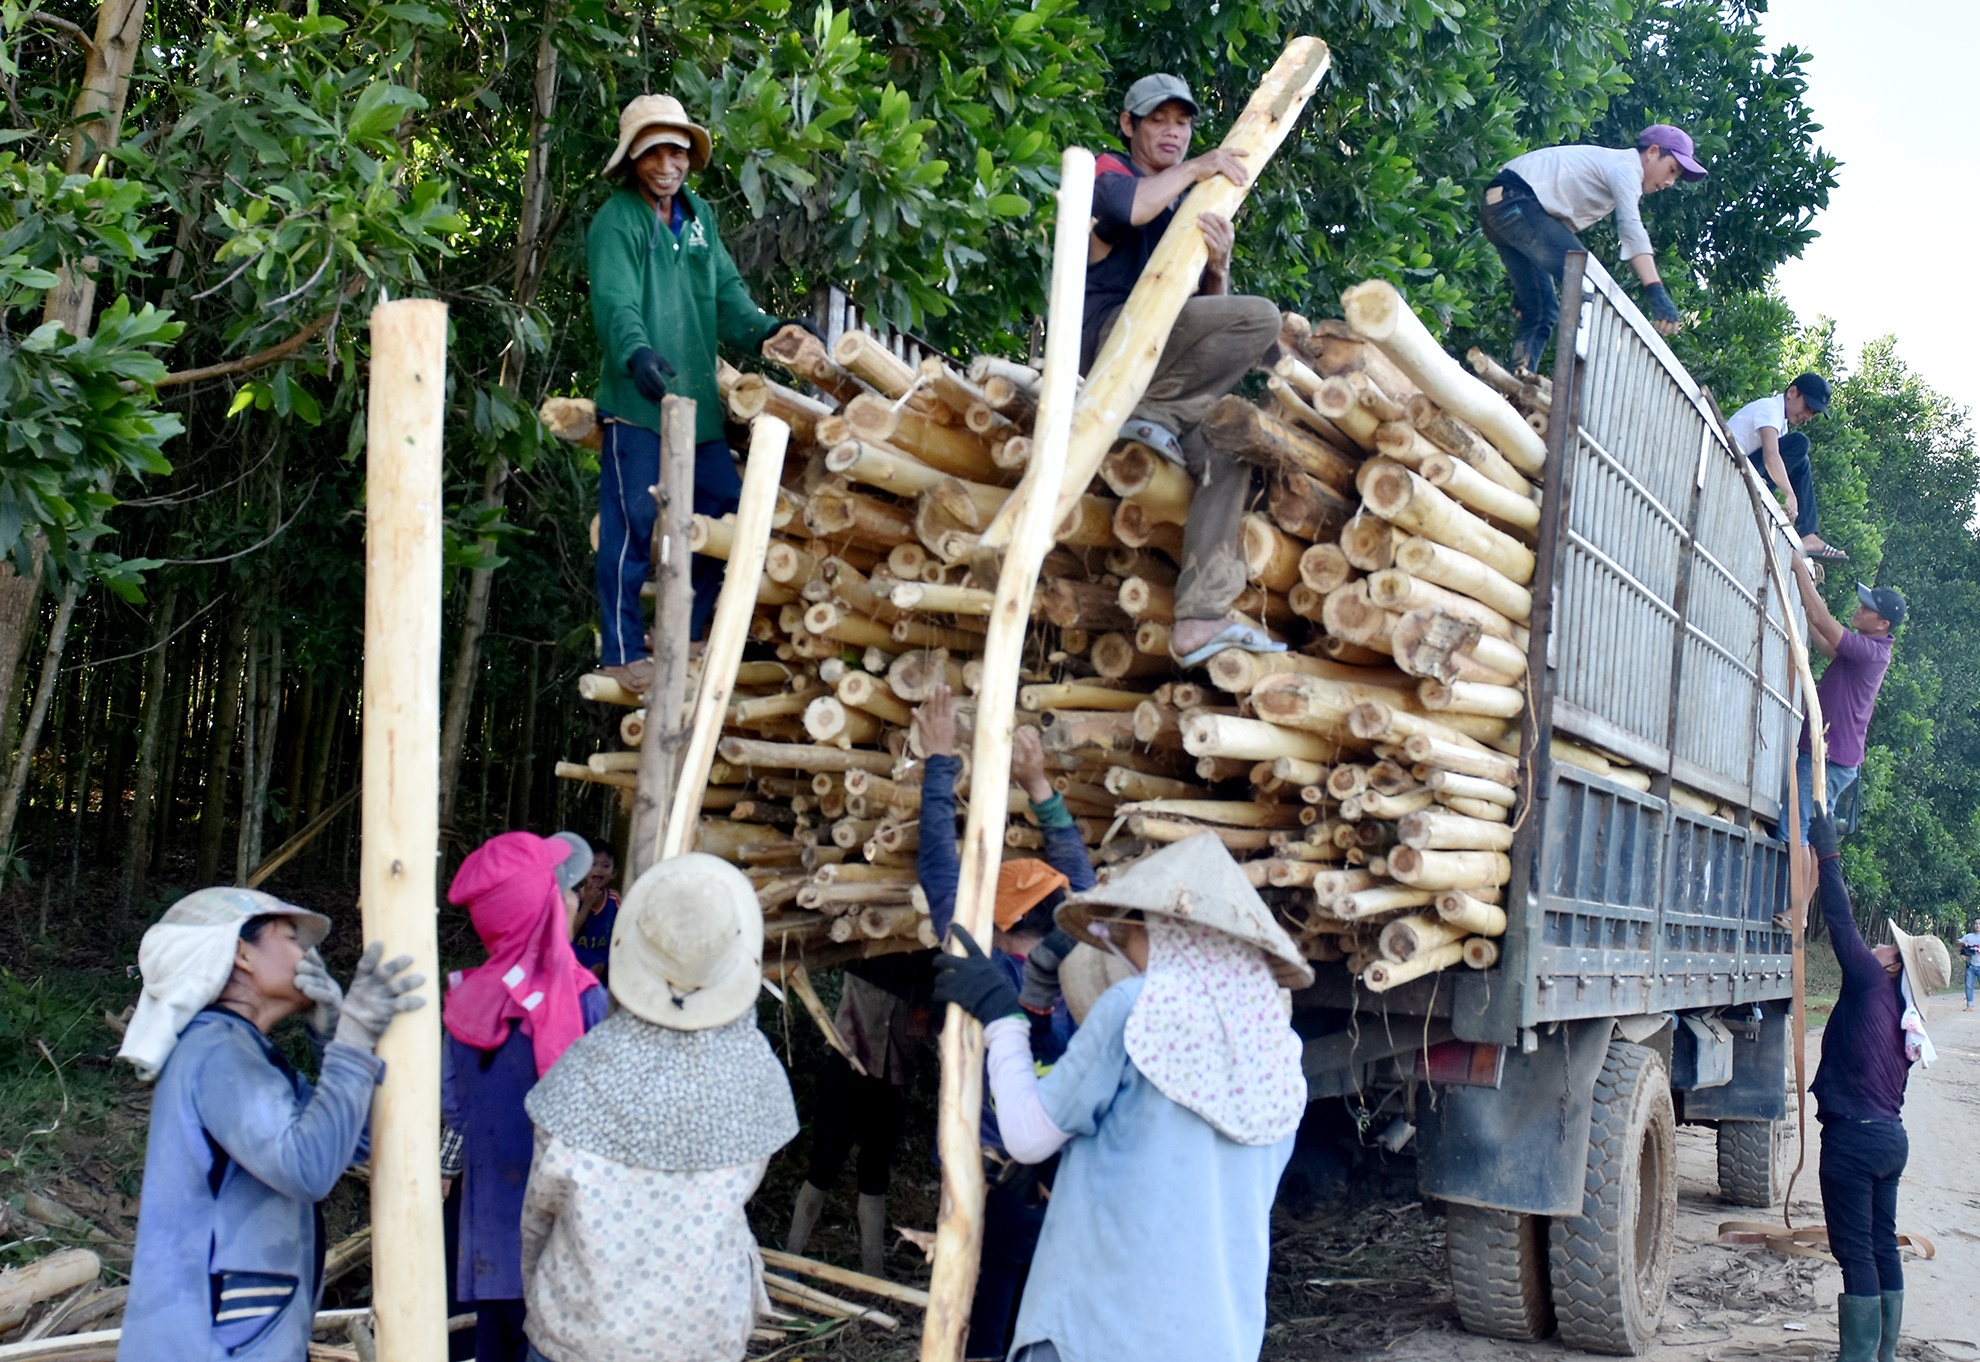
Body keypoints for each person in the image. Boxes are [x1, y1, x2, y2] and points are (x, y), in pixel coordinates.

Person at [931, 832, 1313, 1362]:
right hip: (1217, 1342)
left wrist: (1003, 1021)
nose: (1119, 945)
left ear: (1161, 930)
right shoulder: (1279, 1050)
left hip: (1097, 1332)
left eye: (1126, 933)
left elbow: (1026, 1136)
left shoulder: (1138, 1009)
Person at [117, 888, 423, 1362]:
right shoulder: (219, 1053)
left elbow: (354, 1143)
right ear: (241, 954)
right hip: (213, 1342)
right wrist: (356, 1034)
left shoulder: (241, 1051)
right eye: (291, 939)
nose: (309, 956)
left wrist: (333, 1039)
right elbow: (308, 1169)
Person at [518, 852, 799, 1362]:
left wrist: (537, 1297)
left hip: (579, 1331)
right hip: (701, 1335)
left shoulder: (584, 1068)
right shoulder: (754, 1071)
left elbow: (539, 1209)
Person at [587, 93, 819, 691]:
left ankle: (689, 631)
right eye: (655, 152)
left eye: (678, 150)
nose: (668, 163)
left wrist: (771, 330)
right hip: (638, 402)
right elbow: (615, 303)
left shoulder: (698, 218)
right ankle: (618, 650)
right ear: (634, 159)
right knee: (632, 520)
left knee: (731, 512)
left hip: (698, 405)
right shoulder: (616, 221)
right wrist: (635, 352)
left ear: (690, 156)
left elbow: (726, 295)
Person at [907, 684, 1097, 1357]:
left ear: (1000, 921)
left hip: (994, 1177)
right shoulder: (1088, 965)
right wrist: (1039, 783)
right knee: (1051, 1314)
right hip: (1071, 1175)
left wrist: (938, 764)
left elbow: (938, 870)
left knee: (988, 1314)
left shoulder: (986, 970)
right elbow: (1081, 880)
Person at [1083, 73, 1290, 668]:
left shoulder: (1185, 203)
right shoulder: (1108, 172)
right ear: (1130, 125)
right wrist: (1201, 167)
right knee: (1261, 319)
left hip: (1163, 370)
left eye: (1183, 121)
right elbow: (1131, 207)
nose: (1173, 131)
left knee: (1232, 445)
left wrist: (1219, 264)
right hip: (1111, 347)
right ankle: (1153, 416)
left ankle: (1199, 618)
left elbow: (1205, 310)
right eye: (1158, 120)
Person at [443, 833, 610, 1362]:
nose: (576, 896)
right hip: (567, 1249)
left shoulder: (462, 1004)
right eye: (563, 888)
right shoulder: (585, 1001)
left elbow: (453, 1111)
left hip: (490, 1247)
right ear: (543, 909)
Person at [1806, 811, 1950, 1362]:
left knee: (1857, 1252)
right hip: (1890, 1141)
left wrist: (1828, 855)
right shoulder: (1905, 1018)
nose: (1880, 948)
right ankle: (1883, 1355)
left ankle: (1859, 1357)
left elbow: (1841, 922)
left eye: (1890, 949)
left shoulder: (1870, 980)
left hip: (1854, 1142)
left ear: (1894, 967)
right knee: (1883, 1244)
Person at [1481, 125, 1707, 373]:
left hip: (1503, 207)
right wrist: (1655, 290)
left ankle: (1516, 383)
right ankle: (1576, 383)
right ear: (1653, 152)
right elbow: (1631, 229)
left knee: (1541, 309)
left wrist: (1529, 276)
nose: (1669, 182)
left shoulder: (1612, 167)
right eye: (1672, 170)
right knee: (1588, 281)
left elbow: (1550, 229)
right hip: (1515, 201)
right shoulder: (1626, 169)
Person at [784, 959, 932, 1278]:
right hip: (847, 1066)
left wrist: (924, 1012)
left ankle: (872, 1276)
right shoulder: (867, 955)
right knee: (823, 1165)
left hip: (890, 1080)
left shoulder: (925, 968)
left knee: (875, 1177)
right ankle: (791, 1262)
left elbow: (924, 1027)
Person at [1789, 555, 1905, 845]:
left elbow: (1822, 620)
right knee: (1817, 836)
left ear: (1882, 624)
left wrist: (1798, 568)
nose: (1860, 609)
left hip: (1828, 755)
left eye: (1868, 609)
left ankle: (1795, 893)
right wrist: (1805, 598)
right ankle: (1806, 892)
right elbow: (1826, 642)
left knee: (1796, 833)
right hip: (1837, 756)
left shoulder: (1870, 651)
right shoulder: (1871, 649)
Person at [1726, 375, 1844, 560]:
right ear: (1792, 392)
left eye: (1813, 413)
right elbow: (1770, 456)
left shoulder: (1781, 423)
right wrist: (1790, 495)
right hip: (1730, 469)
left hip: (1744, 471)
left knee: (1802, 461)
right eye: (1807, 407)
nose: (1808, 416)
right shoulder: (1770, 409)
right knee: (1799, 443)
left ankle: (1808, 535)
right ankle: (1808, 535)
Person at [566, 843, 620, 980]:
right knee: (596, 966)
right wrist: (587, 904)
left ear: (613, 873)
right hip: (579, 955)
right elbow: (570, 933)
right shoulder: (574, 900)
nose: (599, 870)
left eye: (605, 866)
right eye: (593, 864)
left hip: (605, 954)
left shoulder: (614, 899)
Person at [1959, 917, 1980, 1011]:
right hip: (1970, 965)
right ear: (1973, 925)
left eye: (1979, 924)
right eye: (1976, 923)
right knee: (1969, 986)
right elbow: (1957, 943)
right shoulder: (1969, 936)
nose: (1977, 925)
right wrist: (1964, 944)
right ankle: (1969, 1005)